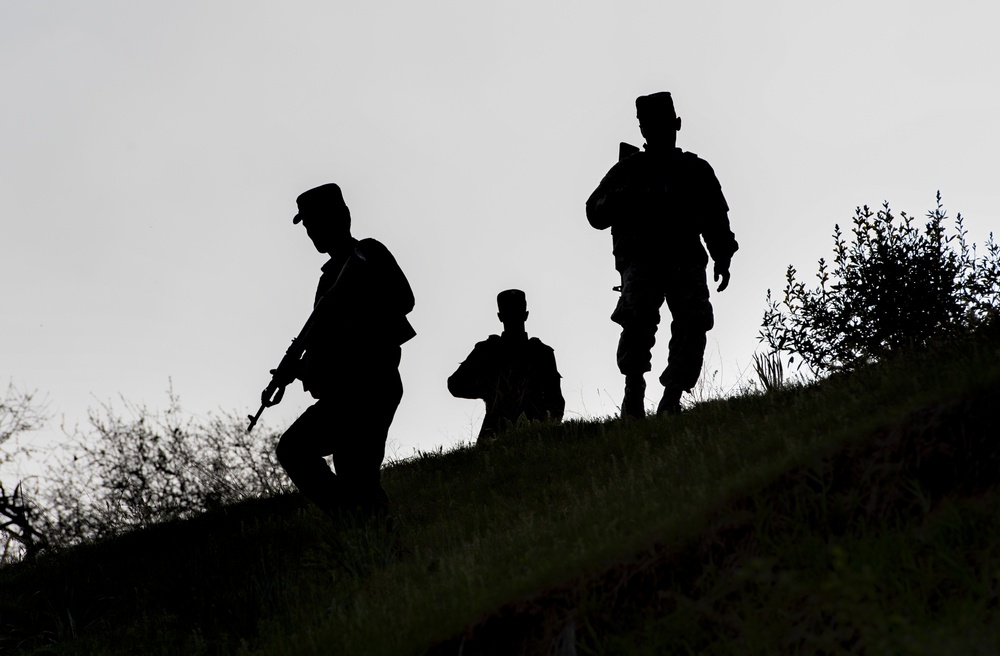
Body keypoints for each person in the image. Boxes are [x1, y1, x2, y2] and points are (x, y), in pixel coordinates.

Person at [586, 92, 738, 418]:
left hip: (684, 259)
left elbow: (715, 216)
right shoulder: (627, 170)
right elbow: (594, 212)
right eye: (650, 126)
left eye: (663, 125)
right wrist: (626, 195)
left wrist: (722, 254)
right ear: (642, 131)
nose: (657, 131)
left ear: (677, 125)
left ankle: (671, 398)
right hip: (642, 260)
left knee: (692, 324)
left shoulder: (694, 169)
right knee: (638, 323)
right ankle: (634, 391)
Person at [271, 183, 415, 521]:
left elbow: (403, 300)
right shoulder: (328, 278)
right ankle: (354, 521)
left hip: (371, 386)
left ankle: (371, 533)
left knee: (358, 478)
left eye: (313, 223)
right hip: (343, 394)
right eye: (306, 226)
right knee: (294, 449)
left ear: (339, 217)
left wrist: (353, 313)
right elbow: (326, 347)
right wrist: (298, 370)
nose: (310, 232)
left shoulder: (368, 254)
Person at [448, 289, 565, 443]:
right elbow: (455, 385)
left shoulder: (540, 352)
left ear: (500, 317)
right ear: (526, 314)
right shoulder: (489, 350)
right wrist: (490, 390)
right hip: (502, 431)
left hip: (530, 432)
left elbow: (556, 402)